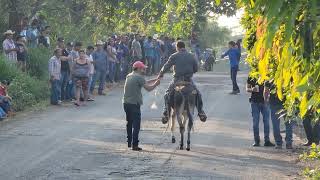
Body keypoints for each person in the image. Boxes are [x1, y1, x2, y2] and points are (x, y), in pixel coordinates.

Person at [157, 41, 207, 123]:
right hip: (188, 80)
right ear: (184, 47)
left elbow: (166, 66)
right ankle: (201, 112)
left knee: (167, 94)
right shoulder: (192, 56)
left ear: (177, 47)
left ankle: (166, 113)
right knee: (198, 94)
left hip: (177, 80)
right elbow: (196, 69)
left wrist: (161, 74)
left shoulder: (174, 56)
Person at [123, 61, 160, 151]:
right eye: (143, 68)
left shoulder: (130, 75)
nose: (144, 70)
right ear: (138, 69)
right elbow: (148, 88)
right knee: (136, 125)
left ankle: (129, 142)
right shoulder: (139, 77)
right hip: (134, 104)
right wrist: (156, 84)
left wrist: (155, 79)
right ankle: (135, 145)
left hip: (126, 103)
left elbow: (143, 82)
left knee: (129, 122)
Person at [246, 76, 275, 147]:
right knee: (255, 122)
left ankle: (267, 140)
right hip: (254, 102)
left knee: (267, 122)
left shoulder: (266, 74)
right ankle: (256, 140)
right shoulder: (252, 75)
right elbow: (247, 88)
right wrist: (252, 89)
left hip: (265, 102)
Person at [264, 81, 293, 149]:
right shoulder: (288, 73)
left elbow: (266, 91)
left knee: (275, 125)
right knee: (288, 124)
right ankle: (289, 143)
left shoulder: (269, 77)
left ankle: (278, 143)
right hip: (287, 103)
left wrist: (266, 101)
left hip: (274, 103)